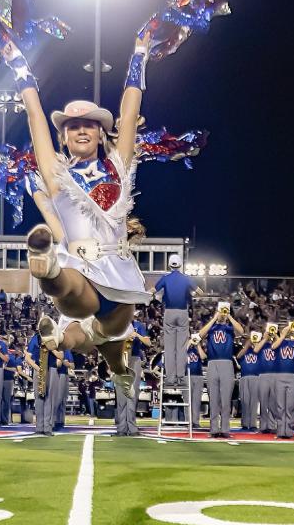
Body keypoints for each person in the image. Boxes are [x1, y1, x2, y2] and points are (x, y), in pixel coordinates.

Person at [16, 31, 156, 405]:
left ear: (99, 133)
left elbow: (128, 113)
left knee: (108, 334)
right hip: (78, 266)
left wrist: (139, 53)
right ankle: (45, 268)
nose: (80, 129)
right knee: (73, 293)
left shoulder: (118, 167)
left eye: (89, 124)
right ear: (63, 137)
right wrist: (18, 65)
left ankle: (114, 367)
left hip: (118, 269)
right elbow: (34, 116)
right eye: (72, 126)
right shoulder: (57, 178)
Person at [198, 306, 243, 438]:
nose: (222, 313)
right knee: (214, 398)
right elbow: (200, 334)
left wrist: (228, 316)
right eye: (221, 310)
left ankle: (225, 429)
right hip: (212, 362)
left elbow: (241, 331)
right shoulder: (211, 327)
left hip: (227, 363)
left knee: (225, 399)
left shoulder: (229, 328)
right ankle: (213, 429)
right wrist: (214, 318)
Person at [155, 255, 195, 386]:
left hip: (169, 312)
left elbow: (152, 290)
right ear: (180, 265)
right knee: (181, 346)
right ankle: (181, 377)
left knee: (170, 347)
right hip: (182, 312)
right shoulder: (186, 278)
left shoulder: (165, 278)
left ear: (169, 265)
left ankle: (170, 378)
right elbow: (199, 291)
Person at [237, 332, 261, 431]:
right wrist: (247, 344)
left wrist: (256, 343)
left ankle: (253, 424)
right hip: (244, 377)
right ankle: (245, 423)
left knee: (254, 402)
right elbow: (238, 356)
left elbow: (259, 352)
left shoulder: (259, 350)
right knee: (245, 401)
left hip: (256, 377)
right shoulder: (244, 350)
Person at [186, 335, 206, 429]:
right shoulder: (185, 349)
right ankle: (188, 421)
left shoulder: (198, 350)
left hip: (198, 376)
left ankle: (195, 422)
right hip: (187, 376)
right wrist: (189, 343)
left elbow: (203, 356)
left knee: (197, 401)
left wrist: (198, 345)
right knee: (187, 400)